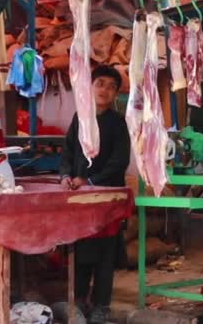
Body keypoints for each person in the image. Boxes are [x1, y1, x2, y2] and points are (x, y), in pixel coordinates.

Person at [59, 65, 130, 323]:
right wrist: (66, 176)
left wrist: (89, 180)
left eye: (111, 87)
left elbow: (119, 161)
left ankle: (101, 306)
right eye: (100, 84)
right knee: (79, 251)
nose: (105, 90)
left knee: (105, 255)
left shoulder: (118, 123)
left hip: (107, 199)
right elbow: (67, 153)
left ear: (116, 95)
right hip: (80, 200)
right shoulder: (80, 118)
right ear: (90, 87)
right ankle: (77, 302)